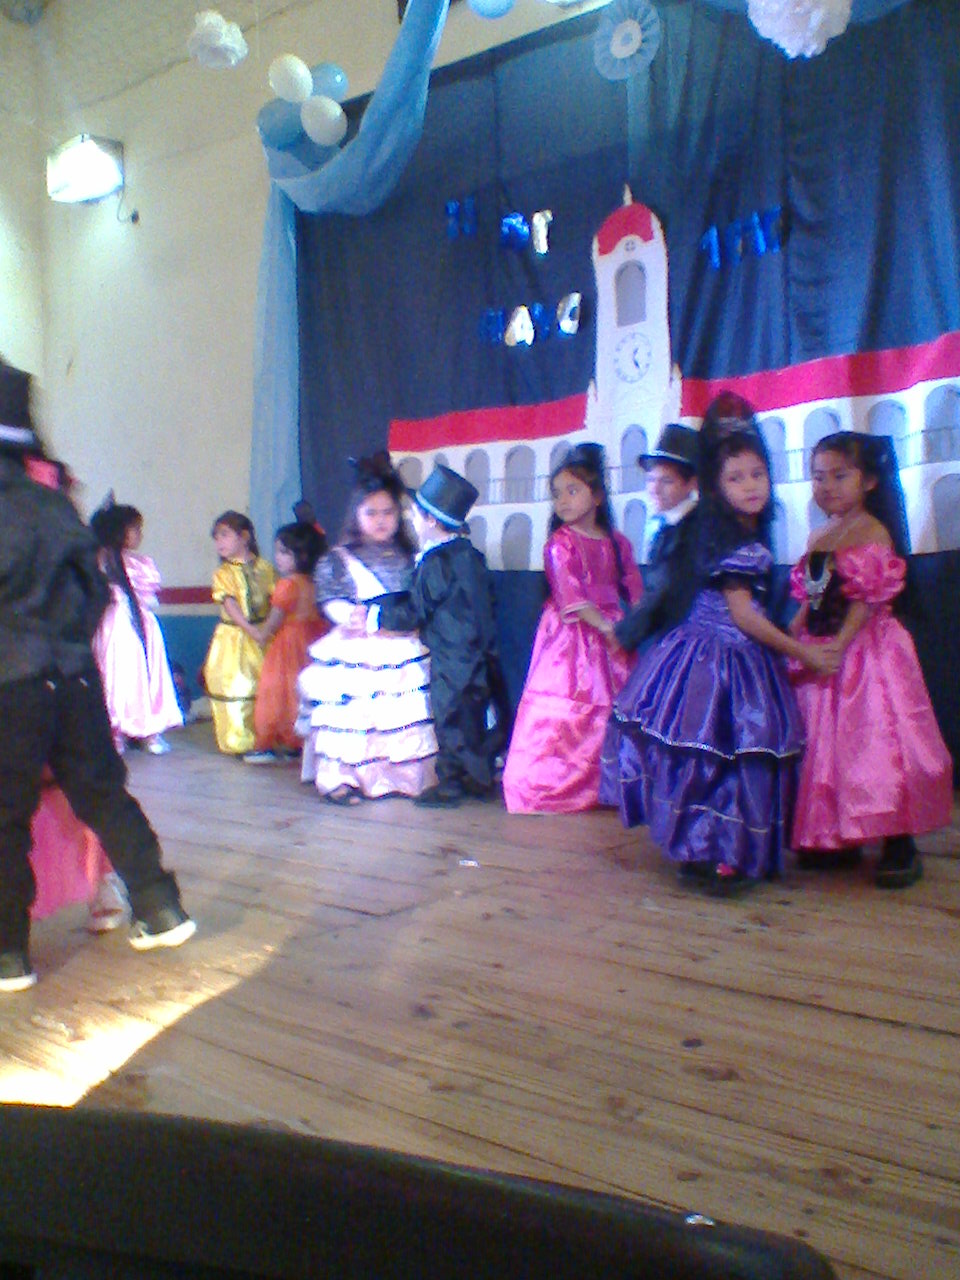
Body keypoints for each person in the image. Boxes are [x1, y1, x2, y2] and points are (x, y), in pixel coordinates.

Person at [0, 358, 194, 992]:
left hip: (11, 684)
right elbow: (96, 591)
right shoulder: (53, 505)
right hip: (75, 678)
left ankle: (8, 955)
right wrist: (67, 644)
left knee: (5, 817)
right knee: (104, 793)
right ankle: (160, 908)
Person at [611, 393, 837, 893]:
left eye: (757, 474)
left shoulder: (742, 531)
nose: (751, 485)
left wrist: (794, 627)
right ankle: (712, 850)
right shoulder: (732, 539)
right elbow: (743, 615)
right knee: (716, 754)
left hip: (726, 652)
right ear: (715, 484)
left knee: (721, 756)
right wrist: (803, 652)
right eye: (736, 478)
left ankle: (712, 849)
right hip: (717, 655)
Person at [788, 432, 952, 887]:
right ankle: (840, 835)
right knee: (830, 744)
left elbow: (867, 598)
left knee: (877, 741)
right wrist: (793, 634)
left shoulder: (873, 531)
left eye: (840, 476)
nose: (827, 486)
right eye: (819, 477)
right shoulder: (820, 535)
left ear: (869, 481)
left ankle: (899, 840)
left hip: (867, 650)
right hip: (824, 646)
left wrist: (839, 644)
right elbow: (811, 596)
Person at [501, 443, 644, 814]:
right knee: (568, 707)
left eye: (572, 491)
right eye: (557, 494)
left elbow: (634, 586)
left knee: (614, 706)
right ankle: (553, 784)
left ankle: (605, 783)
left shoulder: (617, 543)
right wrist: (608, 627)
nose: (562, 500)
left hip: (612, 630)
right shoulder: (560, 544)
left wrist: (636, 622)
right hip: (572, 637)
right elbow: (571, 597)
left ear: (597, 496)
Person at [357, 464, 502, 809]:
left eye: (415, 514)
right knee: (473, 715)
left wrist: (376, 616)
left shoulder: (436, 563)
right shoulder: (471, 557)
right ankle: (479, 777)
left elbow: (416, 611)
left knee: (449, 717)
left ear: (432, 521)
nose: (411, 520)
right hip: (479, 652)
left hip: (451, 655)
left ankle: (450, 784)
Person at [298, 454, 437, 803]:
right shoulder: (339, 558)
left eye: (388, 512)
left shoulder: (412, 555)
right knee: (355, 716)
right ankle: (342, 778)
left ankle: (404, 776)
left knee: (402, 713)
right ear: (356, 515)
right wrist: (347, 614)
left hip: (403, 642)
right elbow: (330, 597)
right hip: (358, 642)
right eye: (371, 513)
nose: (380, 520)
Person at [90, 495, 183, 755]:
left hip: (143, 624)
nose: (139, 534)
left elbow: (148, 597)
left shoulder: (141, 563)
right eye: (134, 528)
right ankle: (116, 729)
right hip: (116, 626)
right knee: (119, 675)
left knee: (148, 674)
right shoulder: (102, 561)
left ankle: (149, 729)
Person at [244, 510, 328, 765]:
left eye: (283, 552)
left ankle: (268, 743)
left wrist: (256, 633)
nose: (277, 558)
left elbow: (273, 622)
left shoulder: (287, 585)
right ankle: (298, 742)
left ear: (302, 555)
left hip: (288, 644)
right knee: (302, 692)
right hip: (314, 640)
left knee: (278, 691)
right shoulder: (315, 583)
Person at [615, 424, 701, 653]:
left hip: (689, 642)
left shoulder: (691, 530)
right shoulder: (668, 526)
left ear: (691, 483)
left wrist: (624, 635)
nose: (654, 489)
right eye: (651, 480)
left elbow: (664, 589)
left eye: (667, 481)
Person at [202, 511, 275, 755]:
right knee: (237, 686)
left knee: (263, 686)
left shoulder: (266, 569)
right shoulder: (223, 573)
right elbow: (230, 604)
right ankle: (239, 742)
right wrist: (251, 629)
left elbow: (277, 601)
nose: (219, 542)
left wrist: (267, 629)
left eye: (225, 535)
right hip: (233, 639)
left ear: (244, 537)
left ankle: (264, 739)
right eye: (216, 537)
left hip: (264, 636)